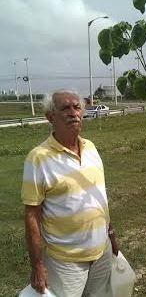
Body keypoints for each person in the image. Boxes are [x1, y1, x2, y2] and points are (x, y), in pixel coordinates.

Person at [21, 89, 118, 297]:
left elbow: (99, 196)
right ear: (50, 117)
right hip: (66, 262)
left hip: (102, 252)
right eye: (65, 108)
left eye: (77, 107)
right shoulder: (38, 158)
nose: (73, 112)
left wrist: (110, 234)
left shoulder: (90, 147)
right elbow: (31, 215)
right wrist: (37, 265)